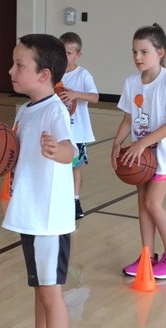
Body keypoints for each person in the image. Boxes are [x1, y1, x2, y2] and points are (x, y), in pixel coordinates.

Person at [2, 34, 77, 328]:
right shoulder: (25, 110)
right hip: (30, 214)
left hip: (48, 222)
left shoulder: (54, 111)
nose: (10, 70)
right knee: (39, 286)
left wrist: (55, 149)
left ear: (43, 75)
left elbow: (70, 150)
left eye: (19, 65)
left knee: (51, 293)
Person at [111, 23, 166, 279]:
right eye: (134, 52)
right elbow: (127, 118)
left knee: (153, 203)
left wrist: (141, 143)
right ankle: (147, 255)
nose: (137, 57)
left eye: (143, 52)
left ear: (160, 52)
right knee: (143, 205)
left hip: (165, 154)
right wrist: (117, 143)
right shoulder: (132, 82)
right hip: (140, 156)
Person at [59, 32, 99, 220]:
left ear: (78, 55)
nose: (64, 56)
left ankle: (75, 201)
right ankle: (59, 200)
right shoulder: (53, 73)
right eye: (61, 51)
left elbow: (95, 97)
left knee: (75, 168)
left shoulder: (83, 75)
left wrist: (76, 94)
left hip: (78, 133)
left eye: (68, 52)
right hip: (59, 132)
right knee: (58, 168)